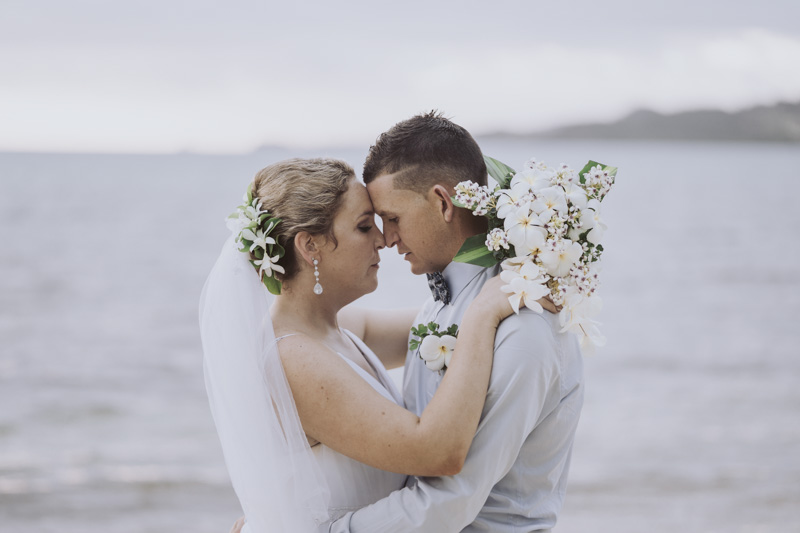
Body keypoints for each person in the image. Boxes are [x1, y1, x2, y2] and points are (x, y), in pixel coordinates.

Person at [200, 158, 550, 532]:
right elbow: (435, 452)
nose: (383, 240)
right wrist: (484, 314)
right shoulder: (293, 359)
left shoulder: (338, 329)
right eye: (364, 227)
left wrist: (534, 260)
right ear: (310, 246)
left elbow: (444, 324)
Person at [324, 111, 585, 532]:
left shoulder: (523, 328)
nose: (387, 239)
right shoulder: (449, 304)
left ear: (443, 203)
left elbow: (449, 499)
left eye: (392, 218)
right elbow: (351, 333)